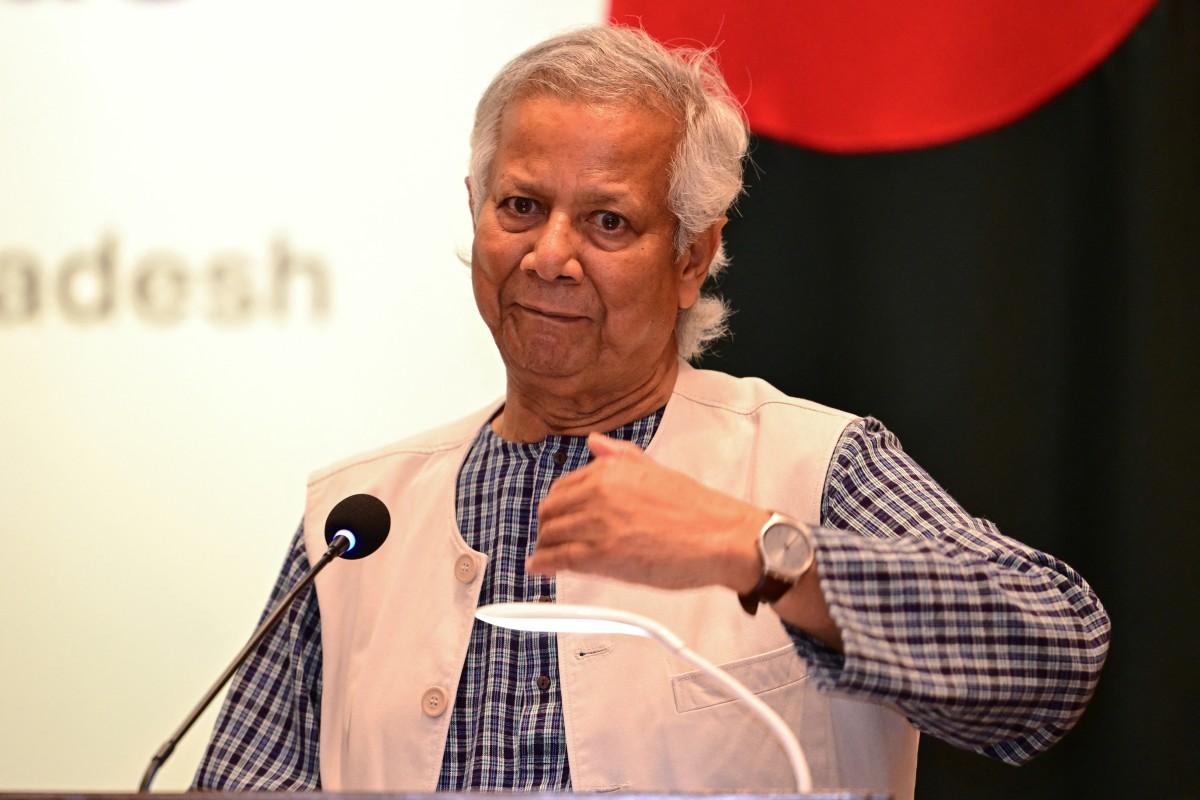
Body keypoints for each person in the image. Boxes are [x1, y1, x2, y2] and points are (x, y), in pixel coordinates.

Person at [193, 25, 1110, 799]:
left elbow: (1055, 657)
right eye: (522, 207)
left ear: (691, 257)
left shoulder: (809, 462)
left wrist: (758, 549)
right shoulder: (360, 518)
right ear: (474, 214)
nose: (550, 255)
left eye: (607, 222)